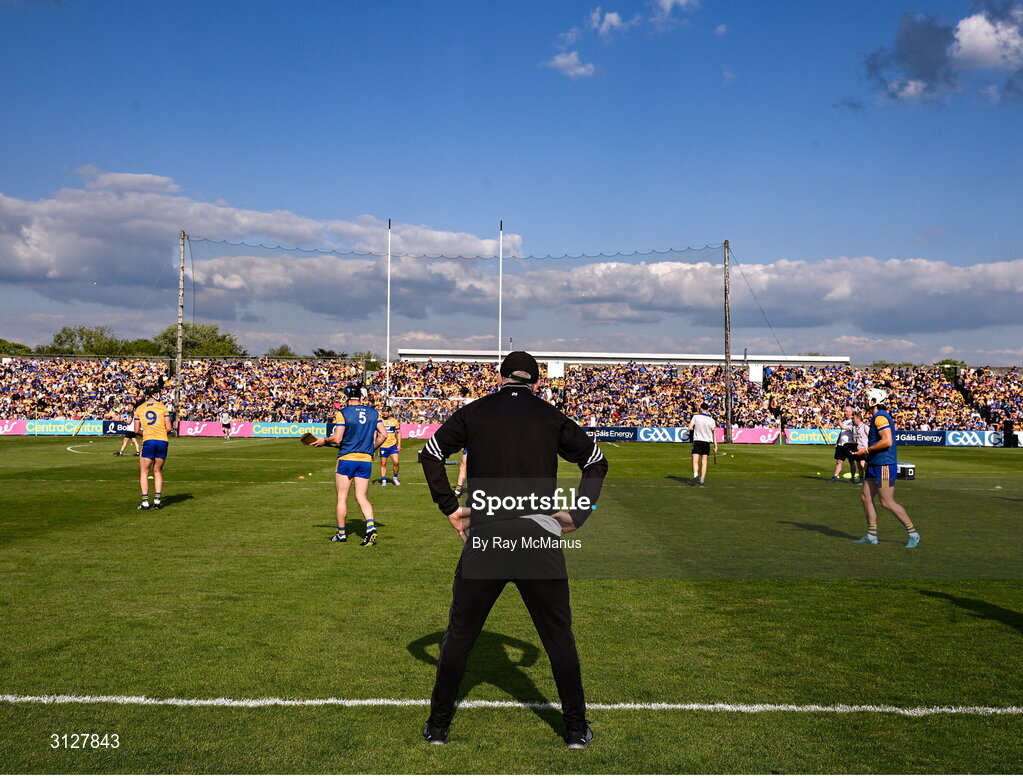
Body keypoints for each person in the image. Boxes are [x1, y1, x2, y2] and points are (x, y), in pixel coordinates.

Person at [418, 351, 608, 749]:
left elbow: (430, 454)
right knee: (558, 638)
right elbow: (596, 463)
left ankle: (438, 727)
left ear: (500, 377)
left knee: (460, 636)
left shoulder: (475, 412)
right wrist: (579, 514)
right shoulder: (550, 416)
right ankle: (575, 731)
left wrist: (450, 508)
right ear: (536, 382)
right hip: (538, 539)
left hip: (487, 538)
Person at [312, 385, 387, 546]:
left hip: (347, 458)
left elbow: (338, 438)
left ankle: (341, 534)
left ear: (347, 397)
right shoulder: (374, 412)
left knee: (342, 497)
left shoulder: (343, 412)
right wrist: (371, 448)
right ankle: (370, 528)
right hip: (365, 460)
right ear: (360, 397)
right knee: (361, 497)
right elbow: (384, 435)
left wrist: (324, 440)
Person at [852, 388, 920, 548]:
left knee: (887, 502)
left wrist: (866, 450)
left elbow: (887, 441)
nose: (864, 400)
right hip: (875, 463)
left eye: (867, 398)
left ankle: (913, 534)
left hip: (883, 464)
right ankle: (871, 535)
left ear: (874, 401)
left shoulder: (881, 417)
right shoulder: (877, 416)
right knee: (865, 497)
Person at [133, 388, 172, 510]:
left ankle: (145, 502)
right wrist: (159, 433)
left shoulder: (140, 408)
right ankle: (157, 501)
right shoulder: (162, 407)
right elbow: (169, 428)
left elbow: (136, 430)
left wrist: (146, 434)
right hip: (162, 441)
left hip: (148, 440)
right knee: (157, 471)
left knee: (144, 472)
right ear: (155, 394)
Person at [687, 402, 717, 485]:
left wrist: (694, 428)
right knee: (704, 461)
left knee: (695, 459)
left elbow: (690, 427)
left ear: (701, 408)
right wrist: (715, 445)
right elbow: (714, 433)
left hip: (697, 440)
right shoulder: (711, 420)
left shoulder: (696, 417)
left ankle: (696, 475)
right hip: (706, 441)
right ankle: (702, 480)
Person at [829, 406, 857, 482]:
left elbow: (843, 427)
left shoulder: (853, 421)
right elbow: (841, 433)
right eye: (844, 411)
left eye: (846, 411)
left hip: (849, 444)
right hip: (841, 444)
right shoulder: (844, 421)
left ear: (851, 412)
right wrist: (837, 442)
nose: (845, 413)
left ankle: (853, 477)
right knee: (839, 461)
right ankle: (835, 476)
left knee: (851, 461)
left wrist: (839, 421)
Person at [378, 405, 401, 485]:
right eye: (383, 411)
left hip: (392, 445)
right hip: (383, 445)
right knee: (383, 463)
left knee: (396, 462)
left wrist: (399, 444)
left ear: (390, 412)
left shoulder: (394, 421)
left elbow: (398, 433)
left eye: (386, 411)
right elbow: (375, 432)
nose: (384, 413)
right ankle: (384, 480)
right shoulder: (379, 421)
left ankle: (395, 478)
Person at [849, 410, 869, 484]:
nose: (853, 420)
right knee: (859, 465)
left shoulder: (865, 427)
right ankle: (861, 479)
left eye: (854, 418)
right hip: (857, 449)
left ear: (858, 419)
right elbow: (843, 427)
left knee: (862, 464)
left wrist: (868, 448)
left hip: (864, 449)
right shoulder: (854, 427)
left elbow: (871, 436)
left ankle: (868, 478)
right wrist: (840, 421)